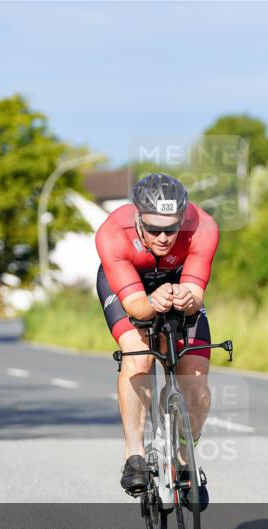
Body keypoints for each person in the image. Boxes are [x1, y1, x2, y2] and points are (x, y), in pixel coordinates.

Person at [95, 173, 218, 510]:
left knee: (196, 386)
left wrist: (186, 298)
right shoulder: (112, 233)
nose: (163, 238)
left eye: (171, 229)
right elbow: (137, 307)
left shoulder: (203, 227)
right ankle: (134, 454)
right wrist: (152, 301)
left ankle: (185, 459)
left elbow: (195, 294)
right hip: (130, 287)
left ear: (183, 219)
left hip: (178, 284)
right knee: (139, 356)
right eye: (153, 229)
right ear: (138, 217)